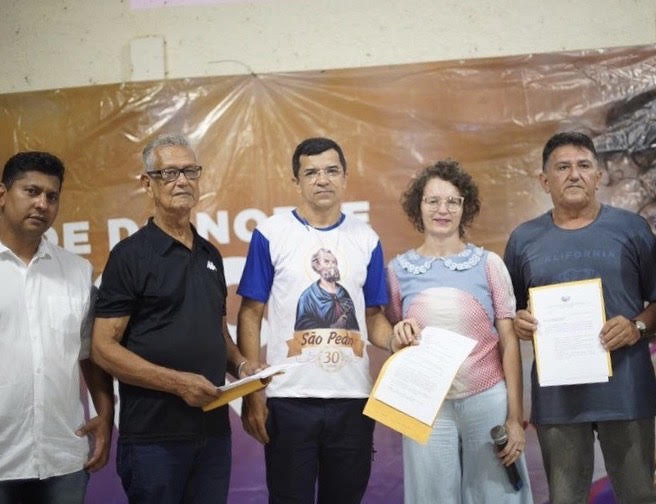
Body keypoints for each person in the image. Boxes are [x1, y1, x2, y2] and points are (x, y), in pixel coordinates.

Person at [237, 137, 409, 503]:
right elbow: (250, 313)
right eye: (311, 172)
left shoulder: (366, 239)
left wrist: (397, 341)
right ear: (296, 182)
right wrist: (253, 394)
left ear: (345, 177)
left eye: (331, 171)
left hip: (352, 400)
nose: (322, 180)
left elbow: (372, 317)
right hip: (289, 399)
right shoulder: (270, 234)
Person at [91, 135, 252, 504]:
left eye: (190, 171)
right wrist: (178, 383)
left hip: (213, 434)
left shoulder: (210, 254)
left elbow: (218, 334)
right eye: (169, 173)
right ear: (147, 183)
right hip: (153, 439)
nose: (182, 181)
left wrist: (244, 367)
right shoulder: (129, 256)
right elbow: (102, 348)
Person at [504, 131, 656, 504]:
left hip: (627, 392)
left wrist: (636, 327)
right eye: (563, 167)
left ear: (598, 176)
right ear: (544, 180)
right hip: (558, 398)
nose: (574, 174)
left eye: (584, 165)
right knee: (565, 498)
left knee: (639, 495)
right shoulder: (523, 239)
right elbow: (511, 312)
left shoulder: (632, 228)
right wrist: (520, 322)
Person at [386, 160, 533, 504]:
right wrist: (397, 334)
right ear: (418, 206)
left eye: (453, 201)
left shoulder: (489, 264)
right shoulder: (397, 271)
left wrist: (514, 419)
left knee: (497, 496)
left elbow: (509, 343)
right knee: (430, 497)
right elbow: (391, 332)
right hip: (426, 404)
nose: (443, 210)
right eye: (433, 201)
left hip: (487, 398)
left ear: (465, 207)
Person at [0, 152, 114, 503]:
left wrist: (105, 414)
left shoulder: (77, 272)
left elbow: (90, 354)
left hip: (62, 456)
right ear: (3, 194)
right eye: (31, 191)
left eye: (52, 196)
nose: (42, 204)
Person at [294, 248, 359, 330]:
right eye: (327, 262)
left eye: (334, 262)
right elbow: (302, 326)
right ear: (317, 265)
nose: (332, 265)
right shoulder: (308, 296)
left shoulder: (343, 292)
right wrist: (332, 327)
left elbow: (354, 326)